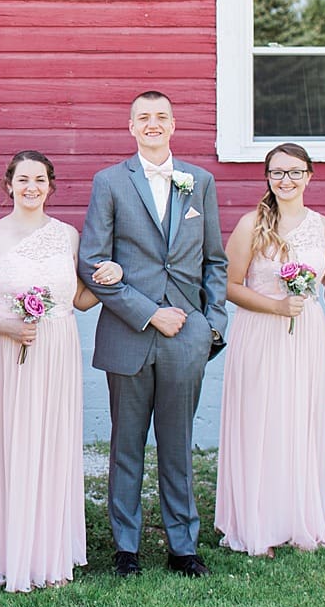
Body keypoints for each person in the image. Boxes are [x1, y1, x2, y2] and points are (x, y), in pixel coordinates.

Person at [79, 91, 228, 578]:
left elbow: (215, 261)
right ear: (130, 126)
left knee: (178, 443)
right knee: (126, 442)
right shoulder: (109, 182)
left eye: (161, 116)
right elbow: (93, 261)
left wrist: (213, 325)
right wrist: (147, 312)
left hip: (188, 332)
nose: (152, 124)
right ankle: (126, 547)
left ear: (173, 124)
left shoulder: (199, 181)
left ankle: (183, 545)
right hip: (130, 331)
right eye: (143, 117)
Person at [0, 151, 123, 591]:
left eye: (40, 180)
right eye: (23, 179)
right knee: (6, 442)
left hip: (55, 349)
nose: (32, 187)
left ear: (51, 186)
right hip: (2, 351)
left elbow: (80, 299)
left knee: (49, 441)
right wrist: (9, 326)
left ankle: (47, 550)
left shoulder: (68, 236)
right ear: (8, 184)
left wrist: (109, 276)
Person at [216, 144, 325, 556]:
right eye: (276, 173)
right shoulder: (252, 224)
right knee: (260, 421)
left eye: (294, 172)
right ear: (267, 177)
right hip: (260, 333)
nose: (285, 180)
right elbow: (230, 286)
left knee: (297, 422)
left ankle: (296, 518)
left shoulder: (323, 227)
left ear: (309, 175)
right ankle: (257, 524)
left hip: (305, 334)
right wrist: (276, 306)